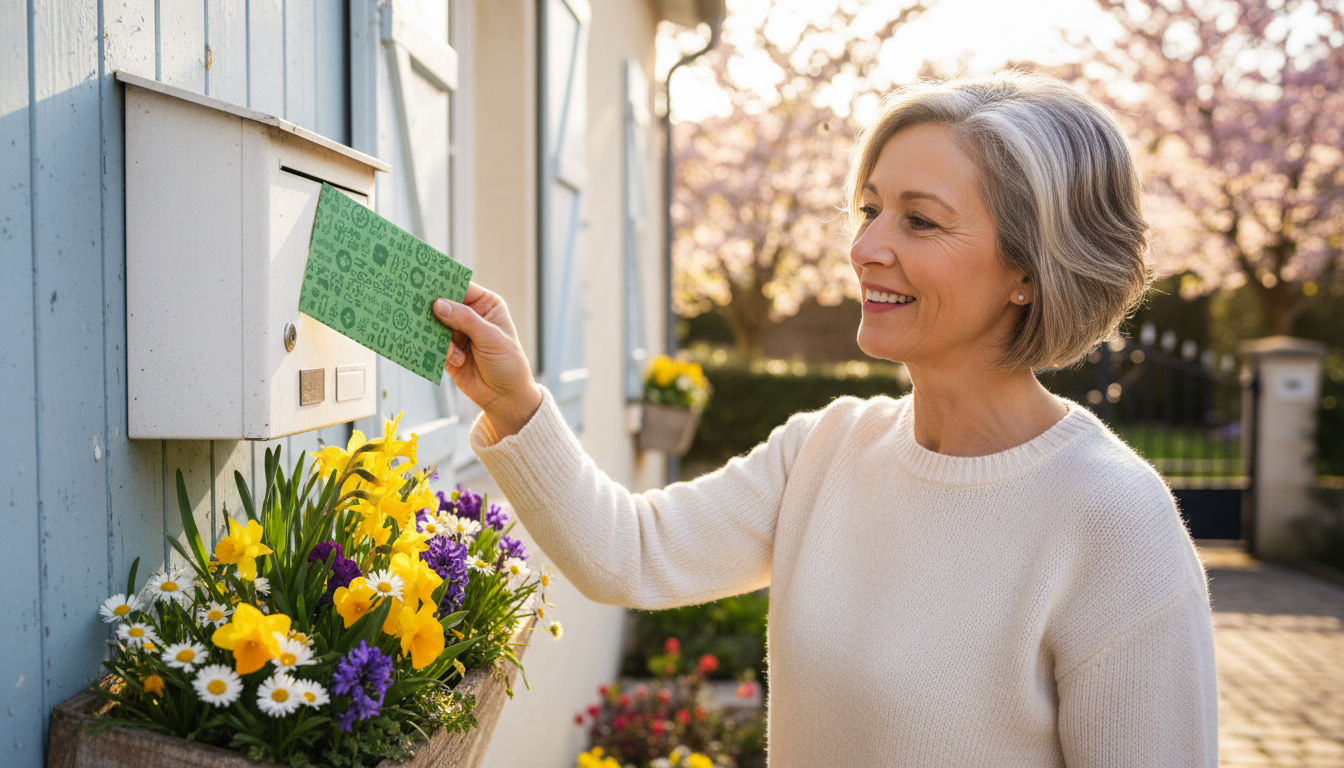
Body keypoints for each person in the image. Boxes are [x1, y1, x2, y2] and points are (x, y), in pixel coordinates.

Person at [430, 72, 1218, 767]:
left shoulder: (1114, 521)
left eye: (919, 220)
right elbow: (626, 555)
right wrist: (512, 401)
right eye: (870, 209)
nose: (865, 246)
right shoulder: (826, 449)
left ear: (1029, 270)